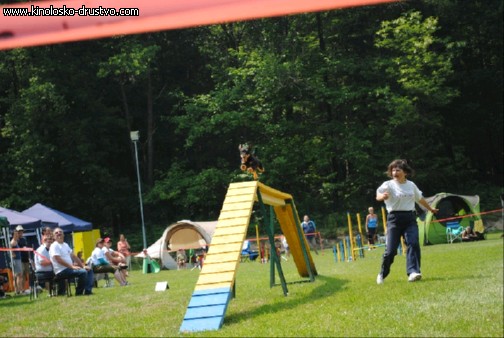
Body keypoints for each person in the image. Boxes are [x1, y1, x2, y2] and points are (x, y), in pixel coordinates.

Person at [375, 159, 438, 285]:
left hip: (409, 218)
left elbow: (419, 199)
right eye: (393, 170)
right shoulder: (388, 184)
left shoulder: (411, 185)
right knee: (391, 251)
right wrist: (383, 197)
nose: (394, 172)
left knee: (413, 243)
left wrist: (430, 209)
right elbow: (378, 195)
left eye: (398, 170)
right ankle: (382, 273)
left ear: (405, 173)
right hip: (394, 219)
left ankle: (413, 272)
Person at [49, 227, 94, 295]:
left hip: (69, 268)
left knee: (89, 270)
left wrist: (83, 266)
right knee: (83, 272)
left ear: (63, 234)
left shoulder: (65, 245)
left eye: (60, 232)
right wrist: (72, 267)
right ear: (54, 237)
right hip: (61, 271)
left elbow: (74, 256)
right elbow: (58, 259)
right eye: (56, 233)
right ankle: (79, 292)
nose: (58, 233)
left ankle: (88, 291)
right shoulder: (54, 246)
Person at [10, 229, 28, 295]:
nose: (17, 235)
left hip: (18, 259)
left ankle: (17, 291)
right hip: (16, 260)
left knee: (17, 276)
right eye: (15, 234)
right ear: (13, 235)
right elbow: (10, 249)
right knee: (19, 276)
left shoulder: (16, 241)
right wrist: (12, 254)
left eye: (17, 234)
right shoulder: (13, 242)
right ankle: (19, 290)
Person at [15, 225, 31, 294]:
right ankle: (18, 290)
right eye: (19, 232)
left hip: (26, 259)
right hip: (19, 259)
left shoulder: (24, 239)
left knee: (25, 275)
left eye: (21, 231)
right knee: (19, 275)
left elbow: (26, 247)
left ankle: (23, 289)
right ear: (16, 232)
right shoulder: (15, 240)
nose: (20, 233)